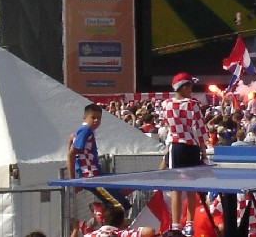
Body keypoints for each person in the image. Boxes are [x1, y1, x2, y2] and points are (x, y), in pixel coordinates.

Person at [161, 72, 210, 237]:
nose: (191, 89)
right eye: (190, 85)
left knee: (176, 189)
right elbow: (200, 129)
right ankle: (189, 223)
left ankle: (175, 225)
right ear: (184, 86)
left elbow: (168, 126)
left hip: (176, 147)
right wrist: (203, 151)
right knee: (191, 187)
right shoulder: (192, 104)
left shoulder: (166, 104)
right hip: (192, 147)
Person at [67, 103, 132, 211]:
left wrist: (69, 142)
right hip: (91, 177)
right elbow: (71, 155)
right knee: (121, 206)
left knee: (125, 186)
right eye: (93, 117)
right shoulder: (85, 130)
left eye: (99, 118)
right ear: (85, 118)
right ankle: (101, 212)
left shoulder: (85, 131)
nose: (96, 120)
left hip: (97, 174)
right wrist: (73, 181)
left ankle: (104, 208)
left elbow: (71, 152)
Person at [82, 206, 155, 237]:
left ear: (103, 221)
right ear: (122, 222)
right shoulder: (121, 234)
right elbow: (150, 231)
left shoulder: (88, 235)